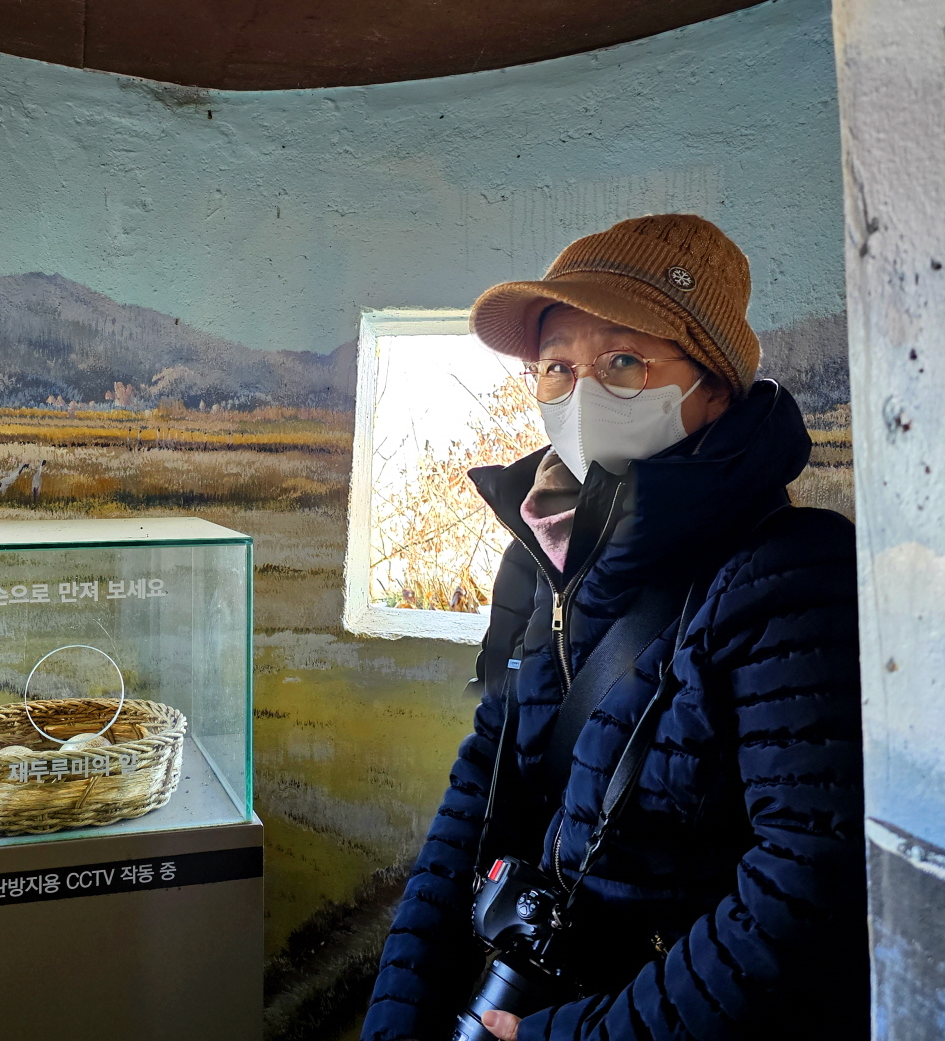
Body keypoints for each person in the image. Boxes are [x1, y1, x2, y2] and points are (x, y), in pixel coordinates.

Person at [360, 214, 866, 1041]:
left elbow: (808, 888)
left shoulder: (792, 575)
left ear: (715, 389)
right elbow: (482, 790)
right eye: (557, 367)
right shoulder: (542, 560)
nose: (582, 393)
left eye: (624, 361)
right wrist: (397, 1013)